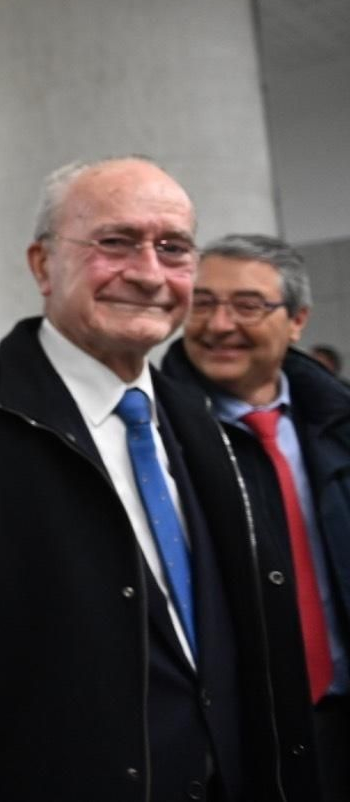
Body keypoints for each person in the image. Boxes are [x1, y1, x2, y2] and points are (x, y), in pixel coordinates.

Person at [0, 157, 319, 802]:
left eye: (173, 248)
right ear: (43, 265)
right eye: (116, 242)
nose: (149, 273)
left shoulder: (196, 419)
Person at [161, 234, 350, 797]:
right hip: (235, 741)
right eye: (202, 303)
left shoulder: (336, 425)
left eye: (247, 305)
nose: (219, 325)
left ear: (297, 321)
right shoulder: (155, 436)